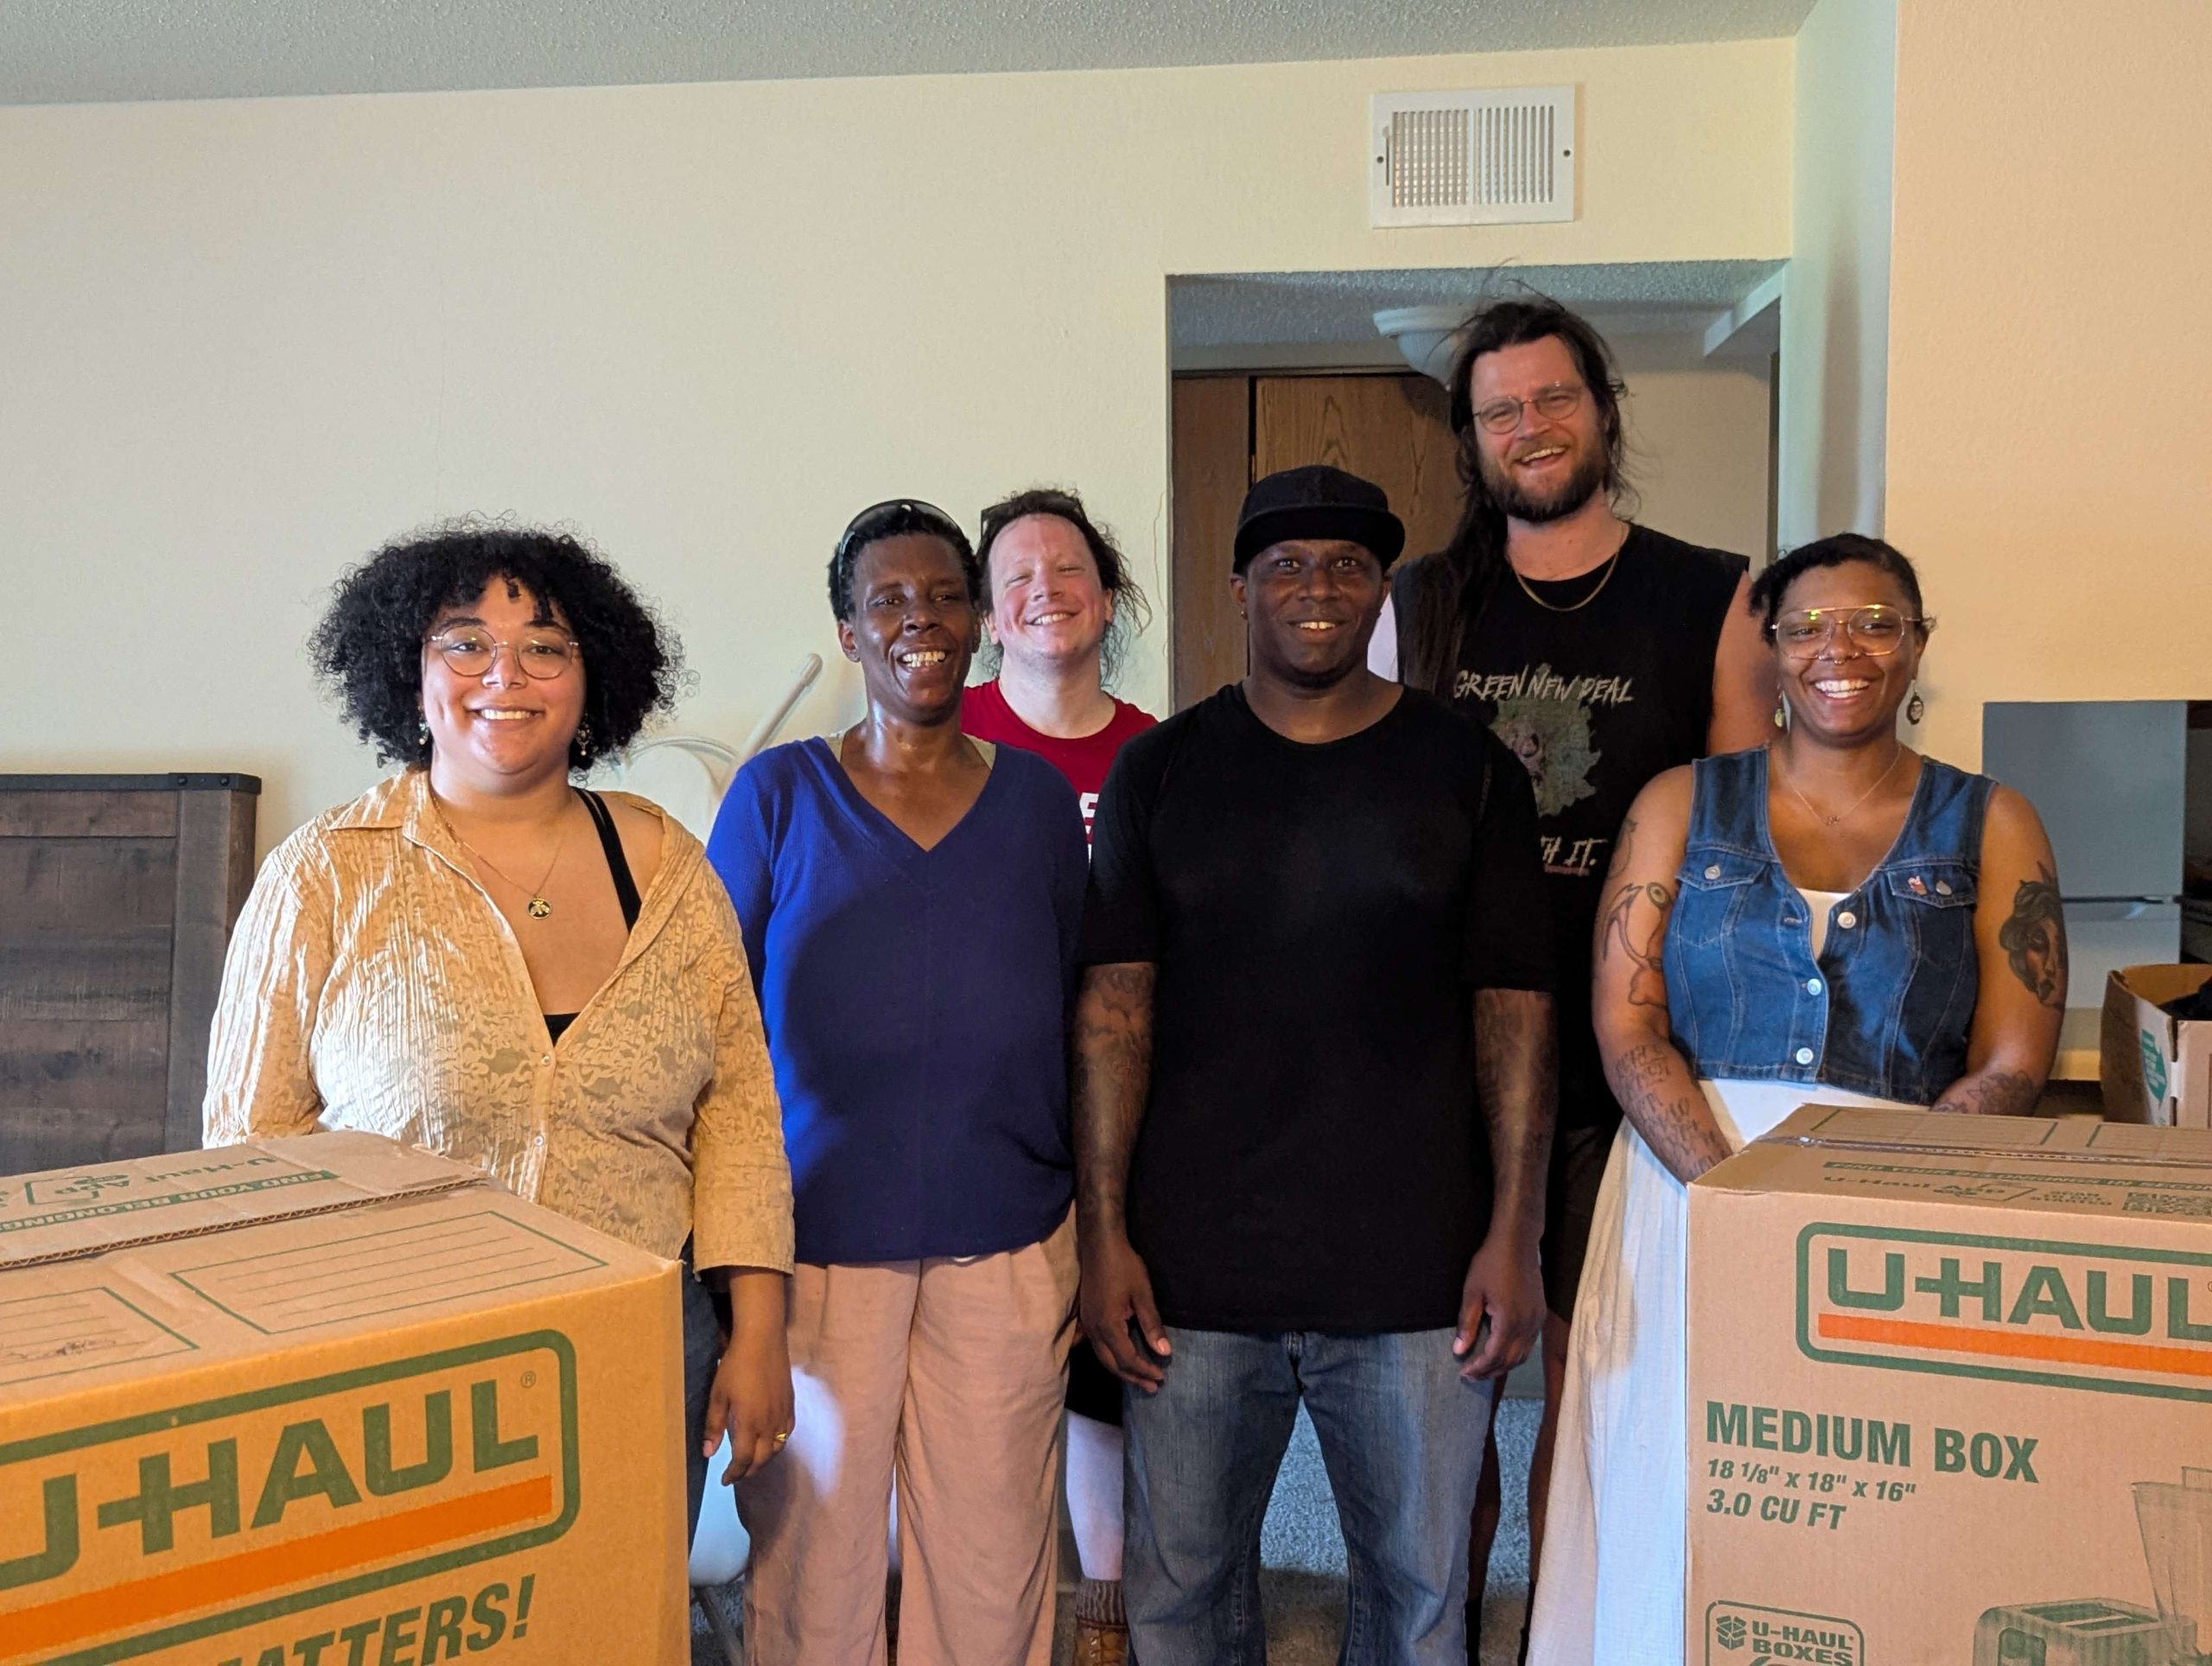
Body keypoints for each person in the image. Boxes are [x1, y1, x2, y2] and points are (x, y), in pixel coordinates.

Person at [1528, 533, 2065, 1664]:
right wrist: (1735, 1193)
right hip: (1689, 1191)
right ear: (1770, 650)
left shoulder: (1994, 822)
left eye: (1877, 622)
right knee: (1671, 1477)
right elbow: (1627, 1026)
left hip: (1899, 1213)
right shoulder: (1679, 802)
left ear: (1918, 645)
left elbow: (2015, 1061)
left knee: (1867, 1498)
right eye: (1809, 625)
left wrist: (1865, 1202)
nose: (1842, 649)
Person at [204, 523, 797, 1542]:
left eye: (546, 646)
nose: (505, 674)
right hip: (394, 1373)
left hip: (640, 1353)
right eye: (466, 641)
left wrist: (760, 1334)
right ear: (411, 672)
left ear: (589, 677)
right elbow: (251, 1142)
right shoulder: (324, 873)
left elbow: (739, 1114)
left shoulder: (670, 872)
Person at [1076, 464, 1558, 1666]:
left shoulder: (1470, 769)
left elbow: (1517, 1013)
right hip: (1193, 1273)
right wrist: (1103, 1235)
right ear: (1240, 588)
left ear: (1380, 587)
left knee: (1421, 1602)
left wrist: (1516, 1230)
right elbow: (1111, 1016)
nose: (1317, 587)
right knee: (1180, 1604)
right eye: (1286, 564)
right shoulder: (1163, 772)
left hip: (1416, 1276)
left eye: (1347, 564)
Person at [1368, 296, 1774, 1641]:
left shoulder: (1713, 593)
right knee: (1446, 1377)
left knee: (1595, 1376)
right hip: (1444, 1052)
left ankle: (1562, 1621)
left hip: (1626, 1044)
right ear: (1471, 442)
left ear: (1600, 407)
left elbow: (1735, 832)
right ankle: (1447, 1621)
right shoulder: (1418, 606)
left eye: (1552, 399)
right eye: (1501, 411)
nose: (1529, 427)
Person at [706, 499, 1089, 1666]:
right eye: (889, 601)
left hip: (1008, 1239)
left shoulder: (1031, 803)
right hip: (815, 1252)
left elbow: (1079, 1004)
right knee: (813, 1577)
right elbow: (710, 1027)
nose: (920, 620)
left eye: (943, 597)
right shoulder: (776, 796)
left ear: (976, 622)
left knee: (992, 1565)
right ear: (849, 631)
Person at [961, 486, 1156, 1665]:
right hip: (990, 1107)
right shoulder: (941, 733)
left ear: (1109, 594)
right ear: (987, 614)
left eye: (1069, 569)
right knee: (981, 1384)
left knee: (1105, 1366)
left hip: (1126, 1106)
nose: (1046, 590)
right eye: (1018, 576)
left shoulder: (1157, 752)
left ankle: (1105, 1613)